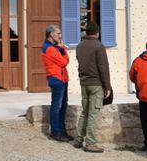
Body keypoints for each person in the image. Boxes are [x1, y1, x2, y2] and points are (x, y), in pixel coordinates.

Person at [73, 22, 112, 153]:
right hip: (96, 83)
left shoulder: (79, 46)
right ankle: (90, 143)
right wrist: (108, 86)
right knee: (93, 114)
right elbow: (103, 68)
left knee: (85, 112)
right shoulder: (98, 46)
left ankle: (78, 139)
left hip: (84, 83)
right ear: (97, 33)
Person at [40, 24, 70, 142]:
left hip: (62, 78)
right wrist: (63, 49)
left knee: (62, 106)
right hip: (56, 79)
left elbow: (65, 61)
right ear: (51, 34)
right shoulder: (50, 48)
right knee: (56, 106)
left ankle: (62, 131)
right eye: (58, 33)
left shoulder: (54, 47)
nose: (60, 36)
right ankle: (55, 132)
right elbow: (64, 62)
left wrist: (61, 49)